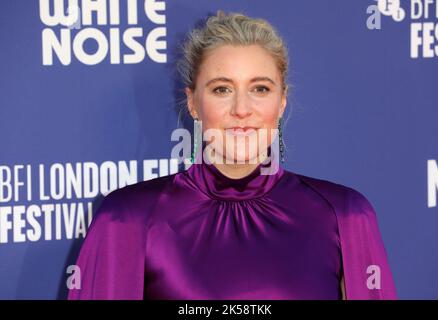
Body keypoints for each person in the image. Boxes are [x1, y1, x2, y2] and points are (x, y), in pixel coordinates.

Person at [68, 11, 396, 300]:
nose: (242, 109)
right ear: (193, 102)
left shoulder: (346, 215)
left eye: (260, 89)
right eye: (222, 89)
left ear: (281, 103)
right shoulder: (127, 218)